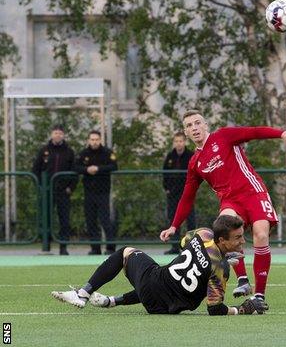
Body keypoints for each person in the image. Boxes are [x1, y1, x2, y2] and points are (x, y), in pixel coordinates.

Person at [160, 109, 286, 303]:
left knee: (261, 235)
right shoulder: (195, 163)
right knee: (223, 228)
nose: (194, 128)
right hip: (230, 201)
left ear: (205, 125)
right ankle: (242, 279)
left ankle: (259, 295)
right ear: (185, 132)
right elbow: (187, 196)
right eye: (189, 125)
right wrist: (174, 226)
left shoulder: (223, 136)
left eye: (197, 123)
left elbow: (253, 132)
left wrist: (282, 133)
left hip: (253, 191)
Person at [51, 215, 268, 315]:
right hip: (163, 308)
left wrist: (207, 256)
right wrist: (242, 309)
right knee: (177, 281)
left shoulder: (203, 234)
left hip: (152, 286)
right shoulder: (221, 269)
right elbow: (215, 309)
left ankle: (84, 292)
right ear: (222, 241)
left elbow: (184, 243)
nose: (242, 241)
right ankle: (109, 300)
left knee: (125, 253)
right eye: (238, 237)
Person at [32, 124, 77, 255]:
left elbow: (74, 172)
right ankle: (46, 245)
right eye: (55, 133)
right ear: (52, 134)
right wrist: (41, 186)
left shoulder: (69, 151)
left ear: (63, 135)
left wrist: (70, 188)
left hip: (63, 192)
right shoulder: (44, 150)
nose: (58, 135)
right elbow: (35, 169)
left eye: (60, 133)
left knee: (64, 219)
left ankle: (63, 247)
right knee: (46, 219)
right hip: (47, 192)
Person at [75, 130, 118, 255]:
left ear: (100, 140)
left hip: (103, 192)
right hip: (89, 192)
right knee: (91, 221)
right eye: (92, 139)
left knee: (105, 220)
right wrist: (86, 169)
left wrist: (98, 169)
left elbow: (114, 166)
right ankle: (95, 248)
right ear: (88, 140)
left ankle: (110, 248)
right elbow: (75, 167)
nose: (94, 142)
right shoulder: (83, 154)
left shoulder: (107, 153)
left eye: (96, 139)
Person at [162, 131, 196, 255]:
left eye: (181, 141)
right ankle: (175, 247)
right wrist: (166, 188)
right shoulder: (170, 156)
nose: (179, 143)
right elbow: (164, 173)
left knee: (190, 220)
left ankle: (192, 246)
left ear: (185, 142)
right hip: (172, 194)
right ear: (173, 142)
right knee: (173, 220)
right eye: (176, 141)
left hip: (186, 194)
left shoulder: (191, 155)